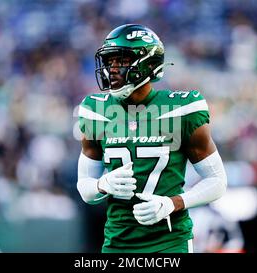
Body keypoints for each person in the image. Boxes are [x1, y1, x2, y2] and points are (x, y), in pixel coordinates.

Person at [76, 24, 227, 253]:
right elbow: (84, 188)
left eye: (121, 61)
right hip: (118, 242)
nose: (111, 70)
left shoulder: (181, 109)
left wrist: (172, 203)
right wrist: (102, 184)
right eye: (109, 62)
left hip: (169, 242)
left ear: (146, 63)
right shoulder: (95, 111)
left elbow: (217, 182)